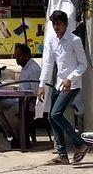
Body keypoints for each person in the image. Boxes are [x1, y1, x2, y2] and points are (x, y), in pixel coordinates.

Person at [37, 10, 89, 165]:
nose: (56, 27)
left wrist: (70, 78)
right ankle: (62, 154)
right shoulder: (53, 40)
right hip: (58, 84)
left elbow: (83, 65)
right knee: (52, 118)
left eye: (59, 24)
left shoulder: (74, 40)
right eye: (54, 24)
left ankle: (80, 144)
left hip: (71, 85)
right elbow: (48, 64)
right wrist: (42, 85)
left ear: (66, 24)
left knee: (56, 114)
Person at [0, 43, 41, 148]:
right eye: (15, 56)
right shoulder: (25, 67)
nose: (16, 59)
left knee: (9, 111)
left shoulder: (33, 69)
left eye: (19, 56)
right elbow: (22, 87)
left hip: (30, 102)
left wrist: (17, 94)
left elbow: (35, 92)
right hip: (19, 99)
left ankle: (20, 138)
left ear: (27, 55)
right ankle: (11, 135)